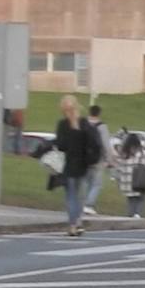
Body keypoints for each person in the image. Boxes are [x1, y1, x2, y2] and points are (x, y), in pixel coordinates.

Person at [54, 95, 100, 237]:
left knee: (70, 196)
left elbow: (61, 145)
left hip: (69, 164)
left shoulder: (63, 125)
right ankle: (77, 222)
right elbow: (94, 142)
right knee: (78, 195)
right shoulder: (84, 124)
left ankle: (73, 224)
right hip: (83, 164)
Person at [113, 133, 145, 219]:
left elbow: (118, 169)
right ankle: (138, 214)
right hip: (140, 182)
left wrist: (118, 180)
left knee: (131, 201)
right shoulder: (142, 154)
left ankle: (130, 217)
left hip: (127, 183)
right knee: (141, 200)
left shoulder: (123, 154)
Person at [82, 104, 114, 215]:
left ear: (89, 112)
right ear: (99, 113)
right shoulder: (102, 127)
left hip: (83, 159)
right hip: (97, 159)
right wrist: (109, 160)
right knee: (96, 184)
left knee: (85, 182)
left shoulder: (83, 124)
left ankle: (82, 203)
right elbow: (106, 144)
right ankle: (89, 204)